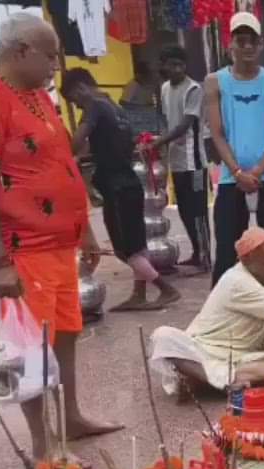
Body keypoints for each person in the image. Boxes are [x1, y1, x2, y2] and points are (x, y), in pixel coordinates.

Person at [0, 13, 121, 459]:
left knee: (66, 331)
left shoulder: (39, 99)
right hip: (22, 250)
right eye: (50, 55)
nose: (56, 65)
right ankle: (42, 445)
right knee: (28, 347)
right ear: (21, 51)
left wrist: (84, 230)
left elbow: (62, 166)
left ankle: (71, 416)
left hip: (59, 245)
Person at [149, 227, 264, 395]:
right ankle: (219, 383)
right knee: (163, 336)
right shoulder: (236, 281)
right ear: (246, 261)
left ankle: (202, 382)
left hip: (239, 357)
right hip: (204, 350)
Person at [61, 68, 182, 313]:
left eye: (74, 100)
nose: (77, 105)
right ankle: (139, 294)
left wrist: (65, 146)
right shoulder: (116, 108)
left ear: (80, 88)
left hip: (115, 187)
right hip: (130, 183)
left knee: (123, 249)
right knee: (137, 244)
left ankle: (165, 288)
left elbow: (75, 144)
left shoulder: (94, 107)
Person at [206, 12, 264, 285]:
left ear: (261, 46)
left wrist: (257, 170)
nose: (246, 47)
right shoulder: (215, 82)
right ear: (230, 45)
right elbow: (217, 134)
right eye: (240, 41)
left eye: (252, 42)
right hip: (233, 179)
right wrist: (237, 171)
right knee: (227, 252)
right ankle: (220, 313)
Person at [147, 45, 211, 271]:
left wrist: (160, 141)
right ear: (164, 66)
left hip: (194, 163)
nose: (176, 69)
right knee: (184, 210)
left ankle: (204, 257)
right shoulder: (165, 88)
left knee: (198, 212)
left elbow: (185, 125)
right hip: (176, 161)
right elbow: (166, 120)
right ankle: (196, 252)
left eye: (180, 65)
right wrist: (160, 141)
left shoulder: (194, 89)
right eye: (172, 65)